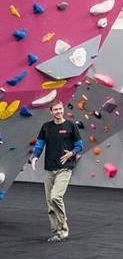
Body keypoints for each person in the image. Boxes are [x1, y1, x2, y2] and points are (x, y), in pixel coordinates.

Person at [30, 100, 83, 242]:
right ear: (51, 112)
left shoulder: (71, 125)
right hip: (49, 169)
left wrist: (71, 153)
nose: (58, 112)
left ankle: (64, 228)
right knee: (49, 202)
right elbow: (39, 145)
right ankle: (57, 232)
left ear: (63, 109)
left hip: (65, 168)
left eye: (60, 109)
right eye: (55, 110)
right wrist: (35, 157)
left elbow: (79, 146)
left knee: (55, 197)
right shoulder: (46, 127)